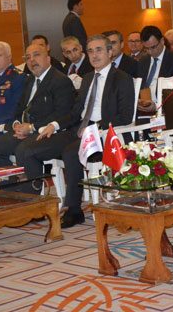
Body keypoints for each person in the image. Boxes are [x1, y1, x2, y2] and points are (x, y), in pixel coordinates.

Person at [24, 35, 134, 228]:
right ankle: (34, 205)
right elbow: (75, 112)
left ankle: (73, 210)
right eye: (90, 51)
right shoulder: (88, 78)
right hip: (79, 129)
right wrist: (54, 125)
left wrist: (95, 127)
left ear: (110, 52)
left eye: (99, 50)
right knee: (31, 148)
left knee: (70, 152)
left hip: (104, 134)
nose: (94, 55)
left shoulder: (122, 78)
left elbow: (124, 116)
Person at [0, 44, 76, 191]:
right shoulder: (30, 80)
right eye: (28, 57)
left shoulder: (60, 80)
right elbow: (19, 109)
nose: (32, 60)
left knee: (24, 150)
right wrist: (16, 125)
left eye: (36, 55)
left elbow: (62, 113)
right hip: (28, 131)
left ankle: (32, 194)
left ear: (48, 58)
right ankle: (12, 189)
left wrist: (32, 128)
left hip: (54, 132)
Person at [136, 26, 173, 111]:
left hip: (165, 109)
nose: (150, 51)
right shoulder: (143, 61)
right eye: (146, 48)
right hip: (143, 109)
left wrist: (157, 106)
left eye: (153, 47)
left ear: (162, 41)